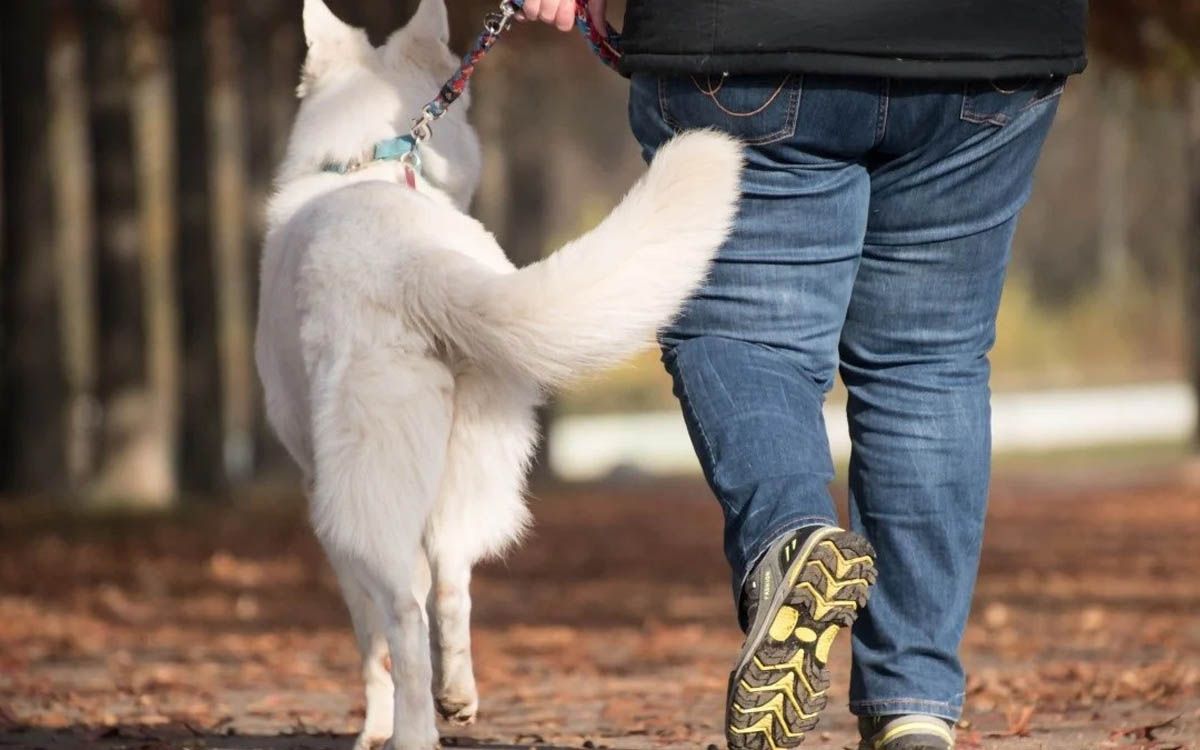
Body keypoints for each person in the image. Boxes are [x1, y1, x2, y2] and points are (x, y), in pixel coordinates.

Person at [522, 1, 1088, 749]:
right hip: (990, 48)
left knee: (743, 332)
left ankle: (789, 538)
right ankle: (914, 706)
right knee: (929, 362)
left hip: (751, 40)